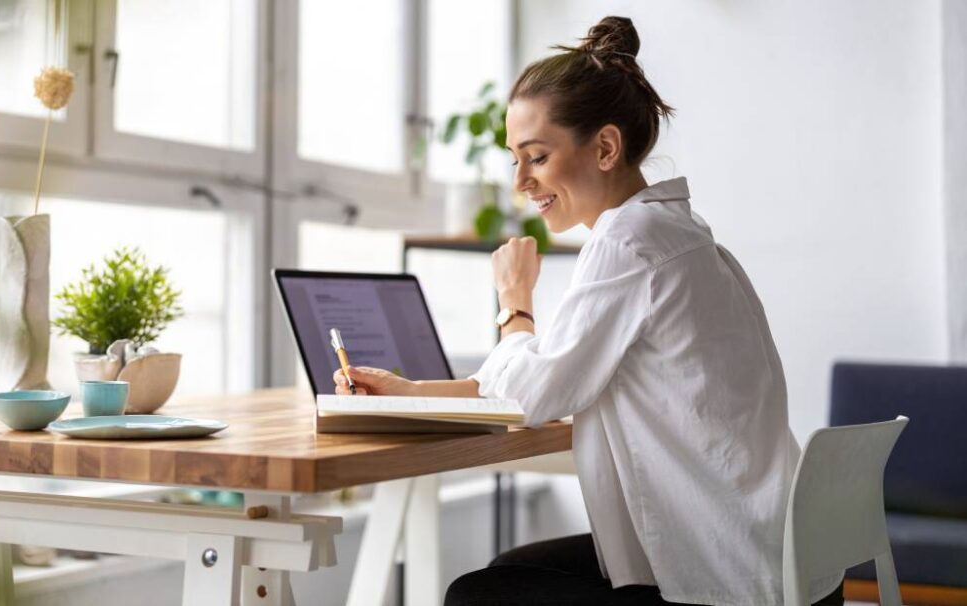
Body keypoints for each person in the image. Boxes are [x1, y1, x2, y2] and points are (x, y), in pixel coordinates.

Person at [333, 15, 845, 606]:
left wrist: (513, 303)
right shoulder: (675, 232)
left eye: (537, 157)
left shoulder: (629, 243)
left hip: (725, 580)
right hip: (776, 562)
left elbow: (534, 396)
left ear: (605, 147)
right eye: (514, 159)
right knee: (508, 571)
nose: (521, 181)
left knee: (478, 594)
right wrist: (407, 390)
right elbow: (543, 377)